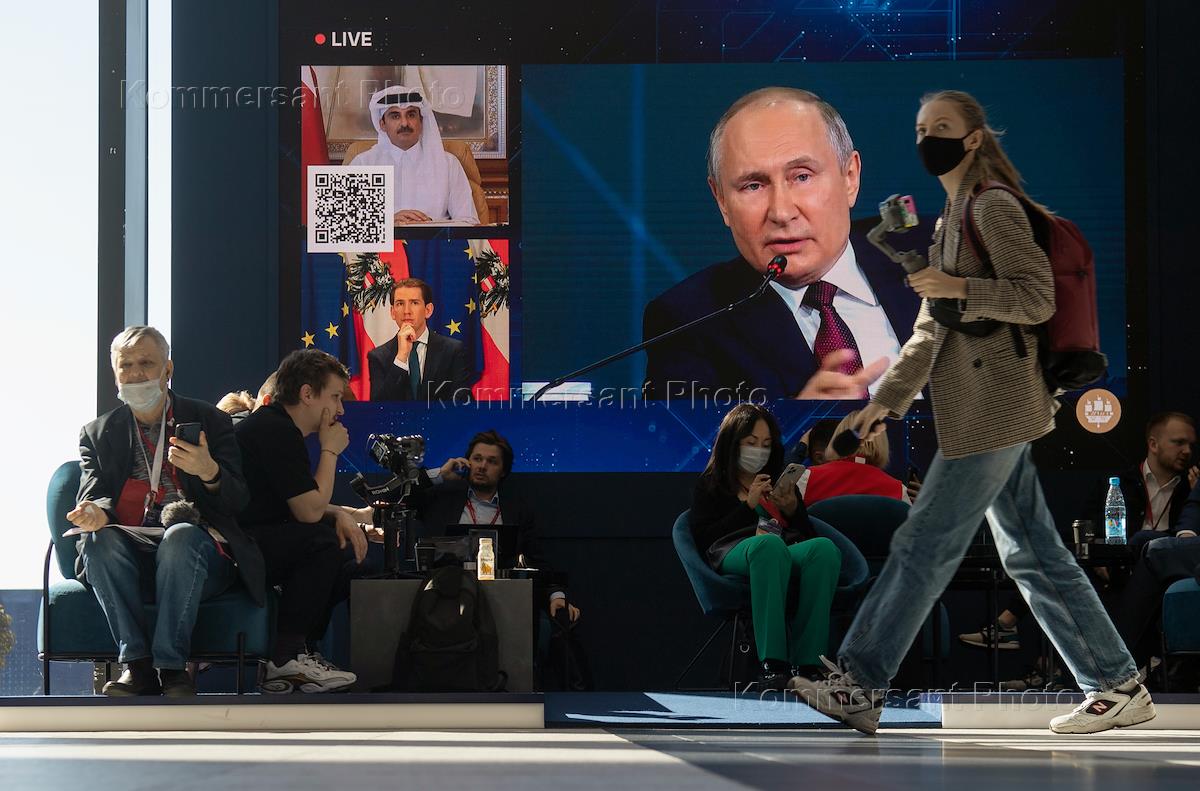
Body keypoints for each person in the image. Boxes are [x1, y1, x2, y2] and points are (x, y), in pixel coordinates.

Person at [791, 90, 1155, 735]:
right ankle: (1116, 683)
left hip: (997, 408)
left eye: (943, 126)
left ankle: (860, 683)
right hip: (983, 410)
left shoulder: (993, 207)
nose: (928, 138)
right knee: (1032, 553)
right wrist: (884, 404)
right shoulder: (952, 218)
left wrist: (958, 285)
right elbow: (932, 330)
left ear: (976, 138)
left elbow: (1036, 298)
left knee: (924, 544)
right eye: (921, 128)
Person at [642, 86, 924, 401]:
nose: (781, 212)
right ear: (721, 200)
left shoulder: (939, 251)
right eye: (753, 185)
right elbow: (686, 436)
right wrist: (800, 423)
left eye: (802, 177)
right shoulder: (688, 324)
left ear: (850, 177)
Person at [70, 326, 263, 696]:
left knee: (181, 536)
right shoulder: (97, 434)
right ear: (115, 374)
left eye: (146, 363)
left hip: (199, 554)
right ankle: (137, 667)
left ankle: (172, 669)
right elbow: (94, 494)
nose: (135, 374)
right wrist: (95, 512)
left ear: (168, 369)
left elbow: (238, 502)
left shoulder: (210, 421)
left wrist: (209, 471)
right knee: (96, 541)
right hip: (132, 552)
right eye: (126, 366)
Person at [959, 411, 1198, 655]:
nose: (1187, 451)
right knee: (1062, 562)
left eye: (1191, 444)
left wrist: (1193, 492)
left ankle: (1020, 637)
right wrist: (1099, 556)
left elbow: (1185, 539)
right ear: (1153, 444)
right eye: (1179, 443)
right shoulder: (1117, 482)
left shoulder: (1191, 488)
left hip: (1154, 572)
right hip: (1114, 566)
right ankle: (1019, 635)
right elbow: (1087, 527)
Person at [235, 349, 367, 693]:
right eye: (335, 397)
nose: (340, 409)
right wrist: (330, 451)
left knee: (336, 547)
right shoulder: (274, 429)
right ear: (307, 393)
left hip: (252, 537)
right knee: (321, 543)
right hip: (232, 548)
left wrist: (342, 514)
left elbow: (301, 503)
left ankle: (301, 652)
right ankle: (286, 657)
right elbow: (308, 511)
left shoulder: (278, 427)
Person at [689, 403, 842, 691]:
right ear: (733, 443)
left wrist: (793, 508)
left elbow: (806, 534)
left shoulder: (777, 480)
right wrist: (748, 506)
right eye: (751, 442)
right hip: (731, 550)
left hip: (780, 547)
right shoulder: (712, 484)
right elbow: (704, 537)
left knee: (822, 549)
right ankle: (773, 664)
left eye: (766, 444)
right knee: (768, 546)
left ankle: (809, 665)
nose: (759, 450)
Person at [409, 430, 580, 624]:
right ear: (468, 462)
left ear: (503, 471)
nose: (482, 466)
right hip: (445, 601)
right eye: (477, 459)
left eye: (492, 462)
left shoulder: (518, 511)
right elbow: (390, 498)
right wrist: (439, 474)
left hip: (502, 604)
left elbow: (537, 561)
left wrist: (556, 595)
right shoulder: (440, 499)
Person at [350, 85, 479, 225]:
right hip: (385, 240)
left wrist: (428, 226)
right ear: (382, 124)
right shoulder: (363, 164)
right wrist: (387, 221)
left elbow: (469, 221)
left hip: (434, 239)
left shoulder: (448, 164)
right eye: (395, 116)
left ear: (421, 121)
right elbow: (342, 225)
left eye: (411, 115)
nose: (405, 123)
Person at [367, 278, 475, 402]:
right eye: (400, 304)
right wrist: (401, 358)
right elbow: (379, 407)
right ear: (392, 312)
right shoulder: (378, 357)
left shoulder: (452, 351)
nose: (406, 311)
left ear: (428, 310)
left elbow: (462, 402)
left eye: (414, 303)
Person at [797, 410, 908, 505]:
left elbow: (786, 517)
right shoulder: (899, 491)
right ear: (882, 443)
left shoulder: (807, 479)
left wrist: (799, 451)